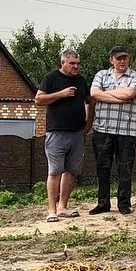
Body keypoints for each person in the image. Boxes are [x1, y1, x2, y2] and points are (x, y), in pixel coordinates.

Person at [34, 50, 93, 222]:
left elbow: (90, 101)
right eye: (72, 63)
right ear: (63, 63)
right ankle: (51, 210)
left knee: (72, 171)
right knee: (55, 171)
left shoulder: (81, 81)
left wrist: (89, 121)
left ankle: (63, 207)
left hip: (77, 133)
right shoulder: (51, 78)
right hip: (56, 132)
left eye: (78, 63)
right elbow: (38, 100)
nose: (76, 66)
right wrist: (61, 94)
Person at [89, 46, 136, 215]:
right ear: (111, 59)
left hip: (126, 130)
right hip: (102, 129)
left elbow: (130, 94)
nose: (122, 61)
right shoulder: (101, 75)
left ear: (128, 59)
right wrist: (118, 97)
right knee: (102, 167)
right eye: (118, 58)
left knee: (125, 168)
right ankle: (103, 203)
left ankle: (124, 204)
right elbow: (94, 93)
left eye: (124, 58)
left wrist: (107, 94)